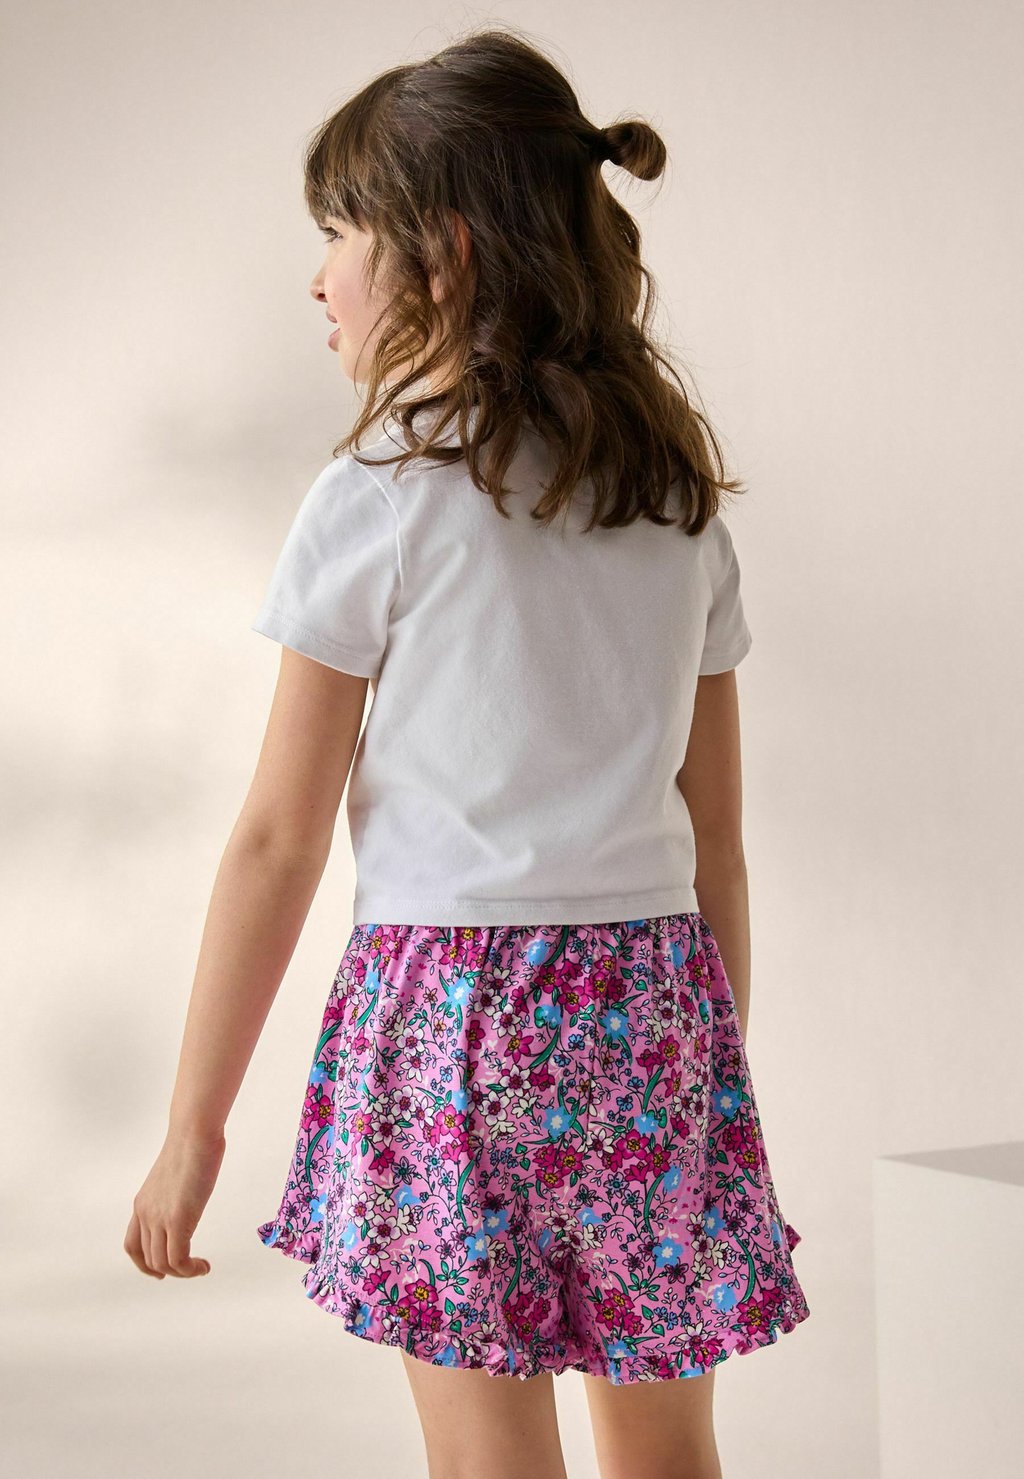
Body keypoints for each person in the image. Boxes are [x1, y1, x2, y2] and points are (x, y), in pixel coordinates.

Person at [124, 24, 810, 1479]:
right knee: (671, 1458)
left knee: (489, 1458)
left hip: (453, 1021)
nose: (318, 278)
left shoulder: (383, 491)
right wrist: (706, 1081)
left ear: (439, 251)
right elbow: (718, 844)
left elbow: (278, 839)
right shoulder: (674, 503)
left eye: (337, 235)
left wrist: (195, 1127)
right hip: (654, 1007)